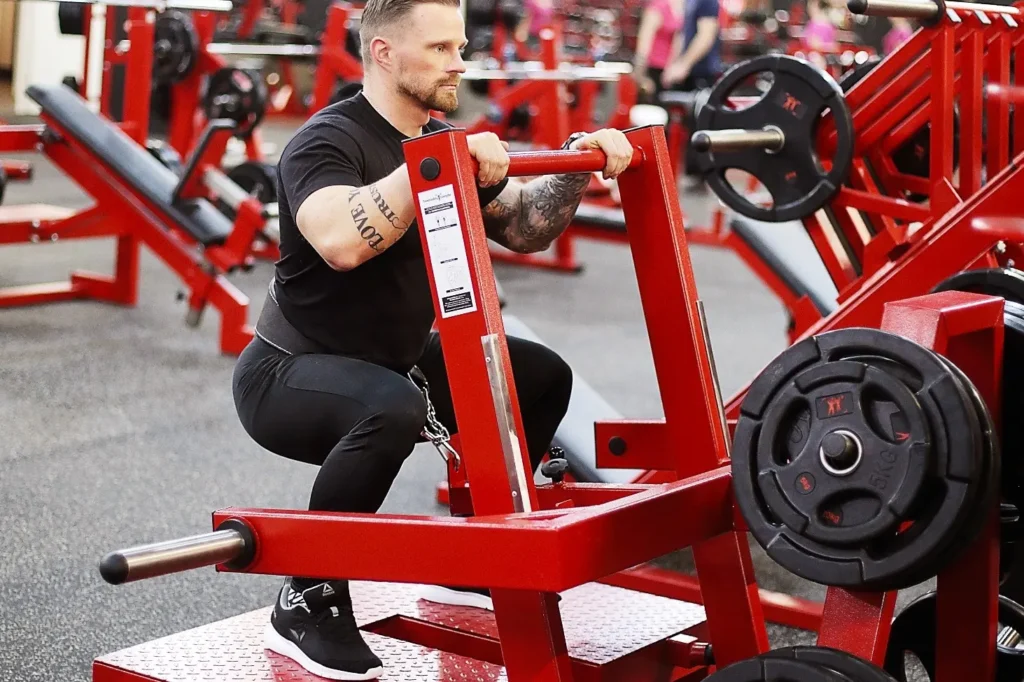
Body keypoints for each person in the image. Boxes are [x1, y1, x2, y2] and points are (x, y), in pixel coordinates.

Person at [230, 0, 634, 677]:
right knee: (387, 407)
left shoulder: (439, 138)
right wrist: (432, 167)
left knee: (537, 376)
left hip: (395, 364)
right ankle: (308, 597)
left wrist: (575, 163)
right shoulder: (326, 142)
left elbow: (528, 228)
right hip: (287, 375)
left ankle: (475, 560)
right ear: (385, 53)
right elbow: (337, 240)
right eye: (441, 49)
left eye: (461, 46)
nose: (460, 62)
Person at [660, 0, 723, 93]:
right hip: (687, 74)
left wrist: (684, 65)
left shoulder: (708, 1)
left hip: (702, 73)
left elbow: (706, 36)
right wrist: (672, 64)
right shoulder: (688, 2)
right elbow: (682, 34)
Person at [632, 0, 686, 98]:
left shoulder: (681, 6)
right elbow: (645, 40)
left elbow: (678, 40)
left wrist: (673, 66)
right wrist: (641, 76)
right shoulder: (657, 6)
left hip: (667, 72)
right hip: (652, 69)